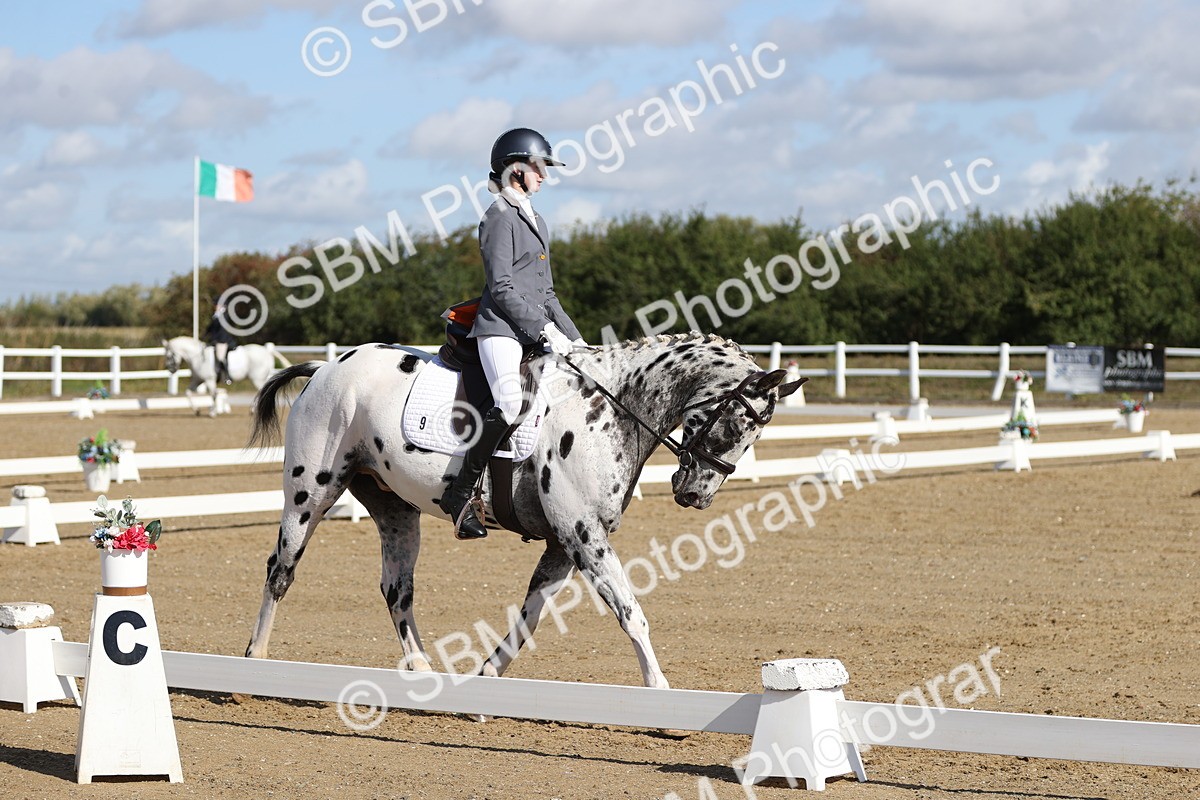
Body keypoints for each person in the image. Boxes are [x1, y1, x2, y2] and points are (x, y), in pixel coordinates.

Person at [438, 127, 586, 540]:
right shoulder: (498, 217)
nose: (545, 176)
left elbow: (547, 293)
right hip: (499, 328)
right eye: (539, 168)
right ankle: (460, 493)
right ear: (515, 169)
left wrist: (575, 340)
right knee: (508, 401)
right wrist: (542, 328)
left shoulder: (537, 220)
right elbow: (501, 286)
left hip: (531, 331)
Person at [205, 301, 238, 385]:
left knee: (220, 358)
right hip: (215, 341)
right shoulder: (216, 315)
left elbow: (222, 330)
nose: (215, 306)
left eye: (218, 305)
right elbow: (210, 329)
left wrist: (216, 340)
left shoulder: (224, 316)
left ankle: (227, 376)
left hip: (222, 341)